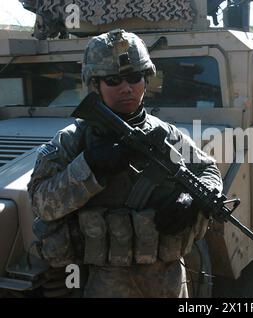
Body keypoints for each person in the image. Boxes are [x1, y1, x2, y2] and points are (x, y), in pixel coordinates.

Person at [27, 29, 223, 298]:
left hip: (167, 276)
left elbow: (208, 171)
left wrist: (192, 199)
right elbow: (40, 203)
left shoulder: (166, 134)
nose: (127, 88)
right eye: (113, 80)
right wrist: (91, 167)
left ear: (147, 79)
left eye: (135, 77)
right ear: (95, 85)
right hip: (106, 279)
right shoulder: (74, 141)